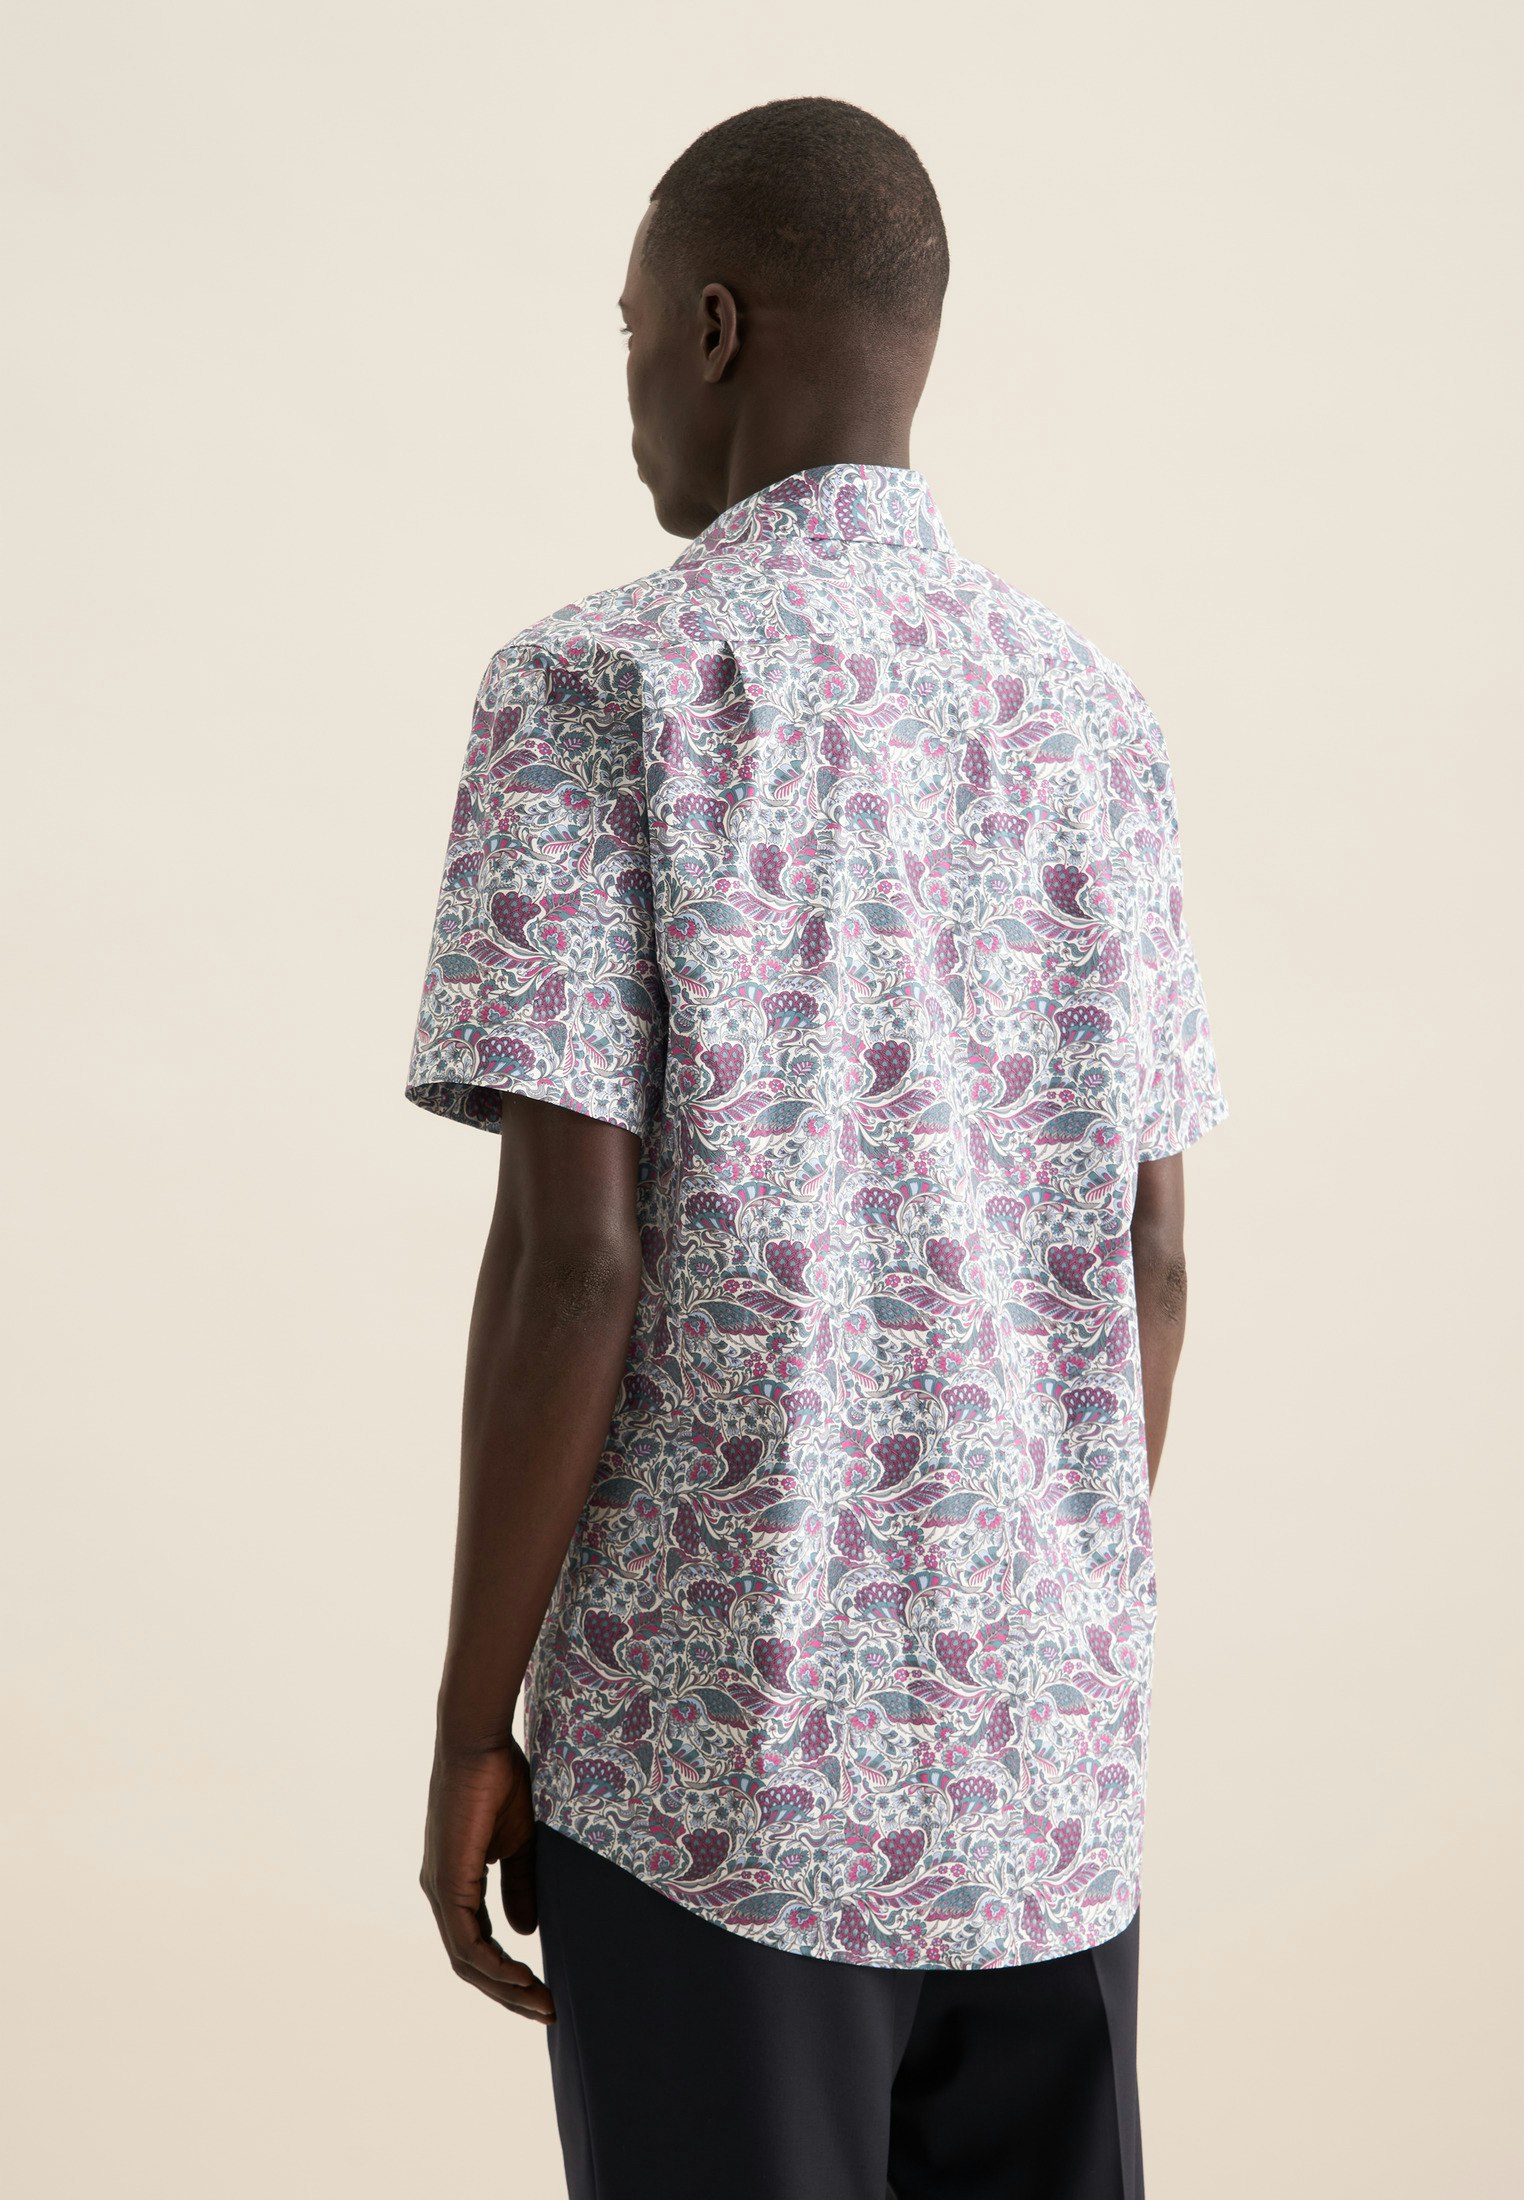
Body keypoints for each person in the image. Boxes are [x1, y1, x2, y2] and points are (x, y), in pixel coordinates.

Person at [407, 95, 1227, 2200]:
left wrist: (476, 1722)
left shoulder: (595, 690)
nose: (628, 403)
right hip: (1045, 1786)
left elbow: (576, 1263)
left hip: (723, 1778)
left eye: (628, 337)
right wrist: (1028, 1626)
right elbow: (1153, 1262)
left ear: (712, 328)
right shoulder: (1093, 713)